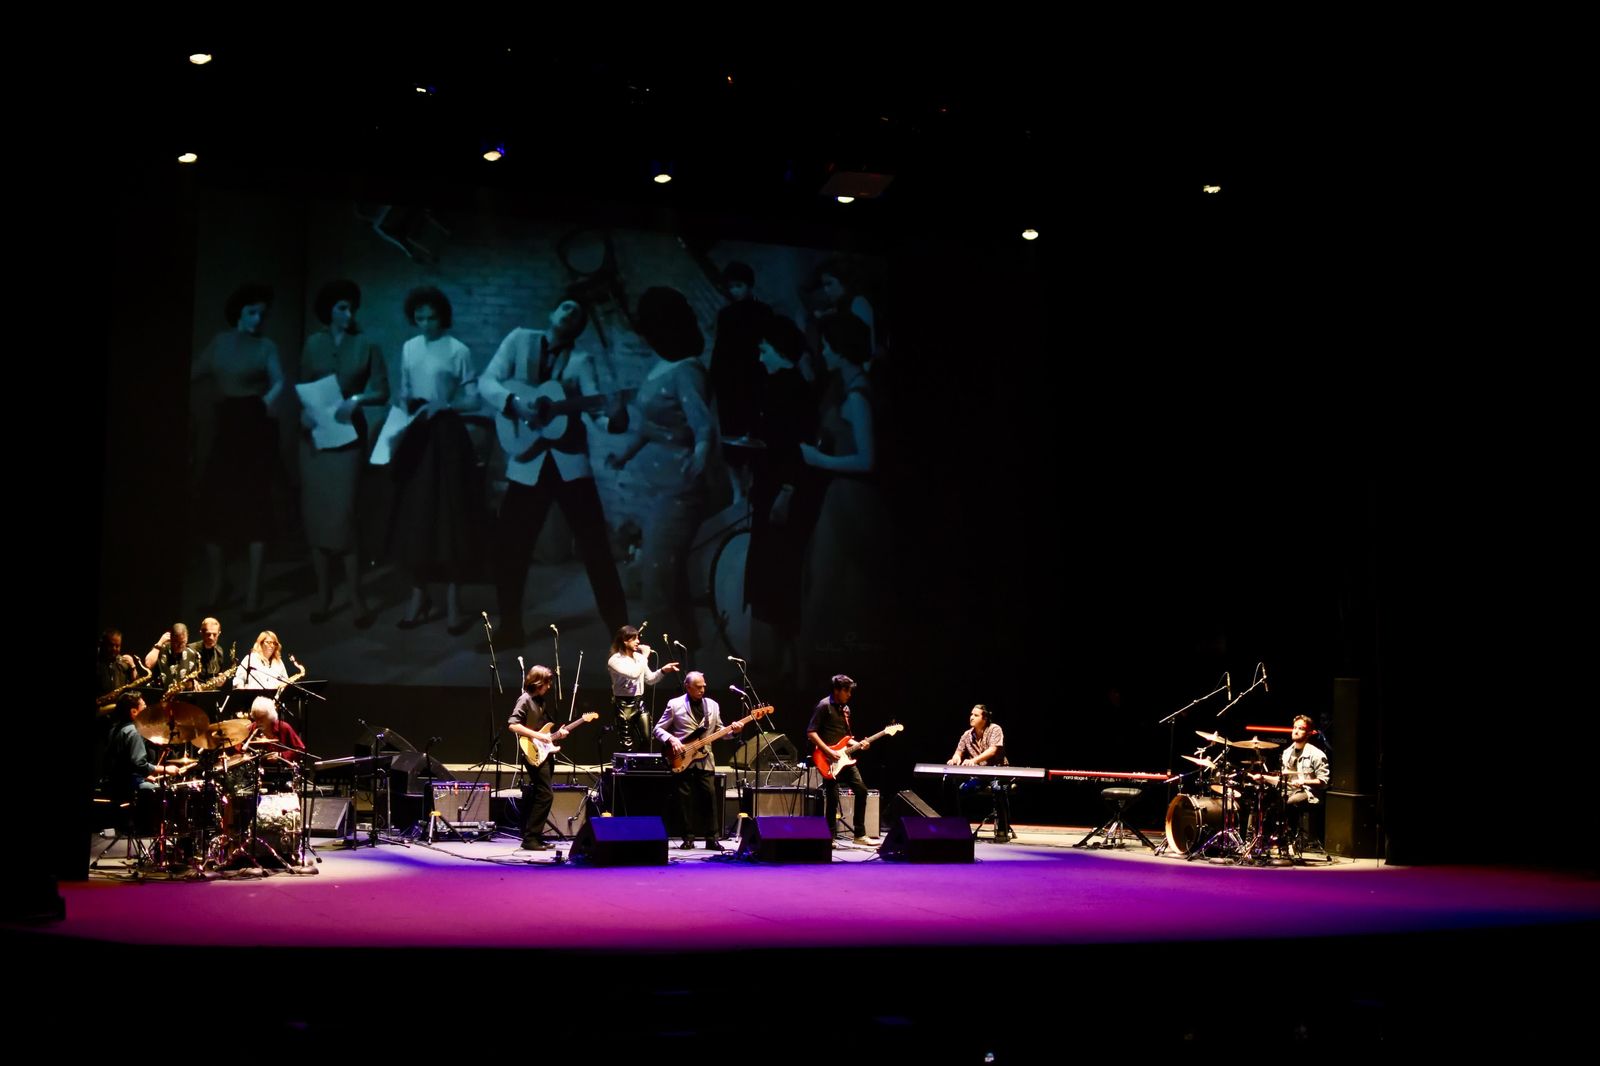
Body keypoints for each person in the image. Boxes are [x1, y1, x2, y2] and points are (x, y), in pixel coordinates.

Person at [479, 297, 628, 646]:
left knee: (595, 548)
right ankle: (511, 627)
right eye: (566, 305)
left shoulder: (581, 360)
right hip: (527, 462)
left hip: (570, 464)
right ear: (551, 311)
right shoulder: (519, 341)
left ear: (581, 325)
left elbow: (597, 413)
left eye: (578, 310)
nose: (571, 312)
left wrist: (616, 417)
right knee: (511, 547)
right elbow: (487, 381)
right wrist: (514, 404)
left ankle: (621, 635)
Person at [607, 287, 717, 647]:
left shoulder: (687, 371)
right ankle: (684, 657)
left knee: (658, 581)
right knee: (666, 577)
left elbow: (702, 425)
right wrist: (623, 455)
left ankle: (668, 665)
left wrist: (699, 459)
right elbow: (648, 426)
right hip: (657, 487)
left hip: (678, 488)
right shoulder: (662, 366)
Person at [798, 312, 891, 678]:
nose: (821, 351)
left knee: (838, 583)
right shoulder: (847, 387)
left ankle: (836, 668)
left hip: (853, 498)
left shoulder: (857, 395)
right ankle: (828, 667)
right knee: (829, 581)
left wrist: (817, 457)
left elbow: (868, 459)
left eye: (825, 345)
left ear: (837, 348)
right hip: (840, 496)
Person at [389, 285, 484, 635]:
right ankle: (419, 598)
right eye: (419, 317)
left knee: (450, 516)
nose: (425, 323)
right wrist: (399, 420)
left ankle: (454, 604)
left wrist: (446, 404)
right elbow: (402, 390)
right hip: (417, 432)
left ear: (443, 316)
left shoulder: (459, 350)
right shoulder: (409, 347)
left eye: (432, 317)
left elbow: (474, 398)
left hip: (446, 436)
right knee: (418, 517)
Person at [297, 279, 388, 628]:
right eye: (341, 307)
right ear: (329, 310)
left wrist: (356, 400)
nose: (349, 314)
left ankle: (355, 595)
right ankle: (323, 595)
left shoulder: (366, 345)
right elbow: (303, 386)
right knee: (317, 517)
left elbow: (381, 391)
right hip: (315, 438)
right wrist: (304, 412)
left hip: (348, 436)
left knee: (344, 517)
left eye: (352, 307)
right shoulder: (313, 344)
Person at [193, 283, 286, 619]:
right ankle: (220, 585)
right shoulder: (220, 342)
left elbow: (279, 381)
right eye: (252, 312)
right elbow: (196, 372)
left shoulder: (266, 346)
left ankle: (254, 592)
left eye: (262, 313)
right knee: (213, 507)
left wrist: (264, 402)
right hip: (226, 425)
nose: (258, 318)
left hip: (254, 425)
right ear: (239, 313)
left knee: (255, 507)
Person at [654, 671, 741, 850]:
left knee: (710, 797)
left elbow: (721, 731)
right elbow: (658, 729)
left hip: (705, 759)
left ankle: (712, 838)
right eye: (698, 687)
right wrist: (672, 739)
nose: (702, 689)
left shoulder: (713, 706)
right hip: (682, 758)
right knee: (684, 800)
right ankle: (688, 838)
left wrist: (734, 731)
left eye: (704, 686)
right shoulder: (675, 704)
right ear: (688, 687)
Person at [507, 665, 574, 851]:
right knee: (545, 794)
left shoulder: (540, 701)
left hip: (543, 750)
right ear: (538, 682)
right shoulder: (525, 699)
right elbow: (513, 725)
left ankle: (533, 836)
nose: (550, 686)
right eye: (547, 682)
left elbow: (542, 729)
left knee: (539, 793)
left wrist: (556, 734)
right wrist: (538, 737)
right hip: (531, 751)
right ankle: (530, 839)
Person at [709, 261, 774, 441]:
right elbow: (721, 346)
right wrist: (714, 376)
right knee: (733, 427)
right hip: (731, 376)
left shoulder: (764, 311)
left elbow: (770, 342)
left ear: (749, 285)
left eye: (739, 286)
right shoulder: (726, 314)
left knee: (756, 423)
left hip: (755, 372)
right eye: (731, 287)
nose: (735, 291)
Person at [806, 674, 872, 844]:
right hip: (827, 760)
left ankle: (859, 835)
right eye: (847, 691)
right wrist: (828, 751)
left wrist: (859, 744)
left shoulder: (846, 709)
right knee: (833, 797)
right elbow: (811, 732)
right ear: (837, 690)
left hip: (844, 758)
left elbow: (846, 736)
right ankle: (830, 837)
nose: (849, 694)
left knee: (862, 790)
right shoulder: (823, 706)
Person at [605, 625, 680, 753]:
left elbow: (650, 679)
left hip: (639, 702)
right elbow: (633, 674)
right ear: (624, 640)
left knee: (647, 738)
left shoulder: (639, 658)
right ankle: (627, 770)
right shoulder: (615, 660)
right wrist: (645, 656)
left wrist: (663, 671)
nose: (638, 642)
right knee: (627, 743)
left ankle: (640, 767)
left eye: (638, 638)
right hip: (623, 704)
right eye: (634, 639)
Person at [947, 704, 1013, 842]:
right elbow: (958, 752)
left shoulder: (995, 729)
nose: (971, 717)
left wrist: (974, 760)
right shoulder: (967, 735)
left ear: (985, 718)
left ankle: (1003, 829)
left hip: (998, 772)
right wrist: (956, 759)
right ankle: (961, 827)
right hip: (980, 776)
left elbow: (993, 750)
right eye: (971, 714)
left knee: (998, 788)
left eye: (976, 715)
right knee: (961, 789)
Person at [1281, 715, 1330, 854]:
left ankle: (1291, 841)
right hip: (1289, 790)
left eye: (1301, 729)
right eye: (1295, 728)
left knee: (1291, 801)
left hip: (1310, 793)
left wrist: (1304, 781)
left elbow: (1324, 781)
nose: (1295, 731)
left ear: (1308, 733)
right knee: (1264, 798)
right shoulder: (1286, 753)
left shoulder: (1316, 754)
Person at [145, 623, 201, 691]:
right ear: (171, 638)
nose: (180, 646)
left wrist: (194, 683)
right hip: (159, 695)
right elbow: (148, 664)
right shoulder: (160, 649)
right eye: (176, 642)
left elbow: (193, 678)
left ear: (187, 637)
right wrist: (160, 642)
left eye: (183, 642)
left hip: (181, 697)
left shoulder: (192, 654)